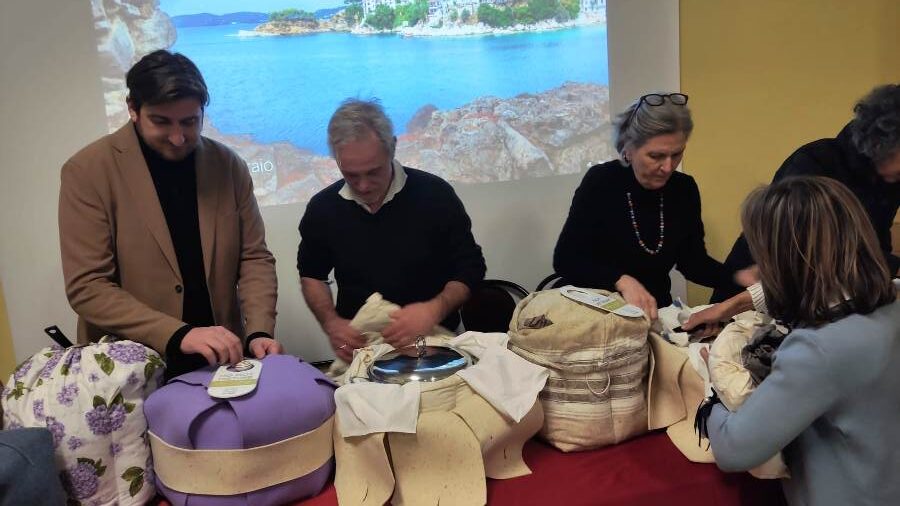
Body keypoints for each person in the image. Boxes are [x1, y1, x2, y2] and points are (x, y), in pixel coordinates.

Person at [58, 50, 281, 379]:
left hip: (220, 361)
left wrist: (259, 330)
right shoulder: (88, 171)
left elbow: (254, 258)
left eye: (190, 122)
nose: (178, 137)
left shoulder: (228, 165)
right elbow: (88, 286)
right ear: (133, 109)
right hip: (130, 370)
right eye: (161, 122)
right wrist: (177, 334)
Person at [698, 176, 900, 506]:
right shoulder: (890, 304)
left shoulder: (819, 350)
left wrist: (713, 386)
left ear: (784, 262)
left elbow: (735, 449)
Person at [297, 99, 486, 362]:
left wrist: (433, 310)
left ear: (393, 148)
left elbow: (471, 267)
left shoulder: (435, 195)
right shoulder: (323, 208)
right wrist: (331, 322)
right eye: (351, 175)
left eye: (373, 172)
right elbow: (312, 274)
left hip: (436, 340)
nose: (363, 186)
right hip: (363, 350)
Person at [553, 93, 753, 320]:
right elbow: (566, 259)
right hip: (598, 312)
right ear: (628, 148)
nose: (668, 167)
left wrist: (738, 277)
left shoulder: (684, 189)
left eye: (677, 154)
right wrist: (621, 280)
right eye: (656, 156)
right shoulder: (601, 182)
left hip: (655, 313)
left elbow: (693, 263)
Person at [710, 84, 900, 304]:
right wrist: (890, 267)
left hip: (831, 291)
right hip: (757, 285)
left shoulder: (890, 177)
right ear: (883, 143)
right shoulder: (814, 163)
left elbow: (877, 238)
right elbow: (812, 249)